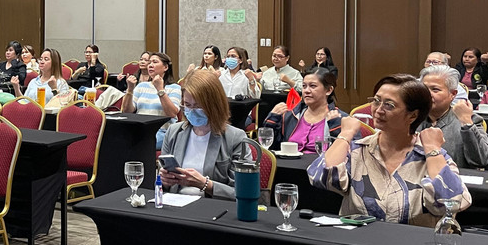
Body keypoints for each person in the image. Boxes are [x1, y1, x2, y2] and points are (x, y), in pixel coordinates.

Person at [309, 73, 471, 226]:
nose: (378, 110)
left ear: (413, 115)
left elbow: (451, 202)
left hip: (414, 244)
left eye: (389, 105)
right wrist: (345, 135)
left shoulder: (429, 155)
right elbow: (321, 177)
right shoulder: (359, 150)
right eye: (376, 101)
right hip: (358, 241)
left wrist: (433, 150)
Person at [159, 69, 249, 198]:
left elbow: (243, 192)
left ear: (214, 105)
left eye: (198, 106)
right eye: (187, 105)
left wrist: (205, 184)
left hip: (212, 206)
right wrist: (164, 181)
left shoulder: (235, 138)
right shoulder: (174, 132)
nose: (192, 111)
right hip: (176, 202)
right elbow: (161, 186)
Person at [418, 65, 488, 169]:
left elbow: (483, 160)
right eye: (424, 89)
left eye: (435, 90)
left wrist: (466, 123)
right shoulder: (412, 118)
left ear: (453, 94)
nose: (427, 94)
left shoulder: (468, 118)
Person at [262, 68, 345, 154]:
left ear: (329, 90)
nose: (306, 91)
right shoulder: (290, 115)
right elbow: (272, 149)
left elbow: (344, 152)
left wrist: (335, 128)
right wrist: (272, 120)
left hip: (321, 162)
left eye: (313, 86)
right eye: (304, 86)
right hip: (289, 162)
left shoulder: (340, 119)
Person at [121, 51, 182, 147]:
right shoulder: (142, 86)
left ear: (165, 67)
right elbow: (127, 111)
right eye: (149, 62)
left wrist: (160, 90)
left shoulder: (174, 88)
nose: (150, 65)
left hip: (162, 132)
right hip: (140, 129)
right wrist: (130, 90)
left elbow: (172, 113)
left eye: (155, 62)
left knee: (138, 143)